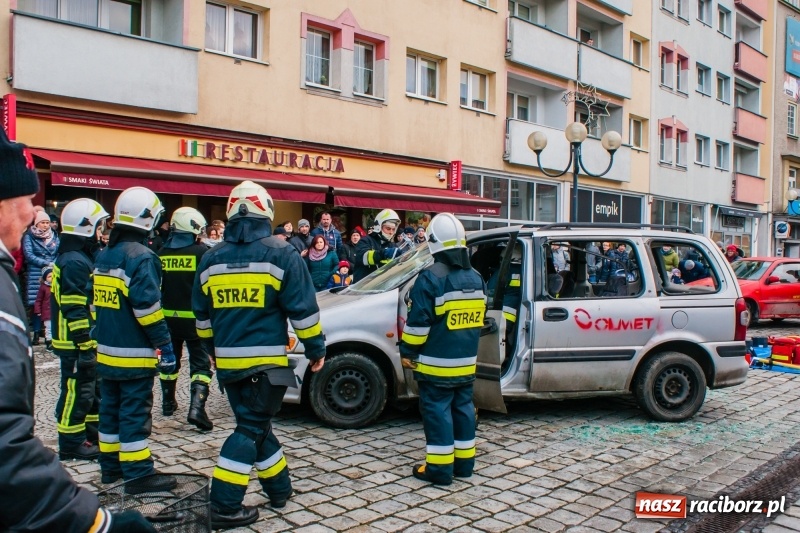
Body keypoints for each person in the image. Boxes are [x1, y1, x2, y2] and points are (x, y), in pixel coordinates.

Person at [0, 129, 155, 532]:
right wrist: (96, 525)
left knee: (95, 399)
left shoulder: (85, 257)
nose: (32, 213)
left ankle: (90, 447)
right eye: (25, 201)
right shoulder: (75, 262)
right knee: (81, 393)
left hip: (93, 345)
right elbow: (6, 445)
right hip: (85, 344)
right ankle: (77, 443)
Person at [192, 180, 326, 528]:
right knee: (250, 430)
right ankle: (223, 506)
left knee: (257, 426)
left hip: (229, 367)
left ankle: (280, 489)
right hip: (268, 366)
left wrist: (211, 352)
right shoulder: (281, 254)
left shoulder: (210, 259)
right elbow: (304, 312)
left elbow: (202, 319)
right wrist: (316, 349)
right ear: (266, 211)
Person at [94, 186, 178, 492]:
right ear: (148, 219)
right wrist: (165, 346)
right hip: (133, 354)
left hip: (105, 352)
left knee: (110, 411)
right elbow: (149, 311)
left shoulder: (106, 254)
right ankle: (139, 475)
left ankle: (110, 469)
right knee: (133, 413)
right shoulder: (143, 257)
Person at [399, 213, 486, 486]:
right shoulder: (477, 278)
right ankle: (464, 466)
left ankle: (438, 470)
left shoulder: (430, 278)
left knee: (437, 413)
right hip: (466, 363)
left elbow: (417, 327)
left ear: (435, 243)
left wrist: (408, 353)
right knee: (463, 410)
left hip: (436, 364)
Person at [52, 198, 109, 462]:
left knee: (90, 391)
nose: (101, 233)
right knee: (76, 391)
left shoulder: (77, 257)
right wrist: (85, 343)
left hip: (80, 340)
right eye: (98, 227)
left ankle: (91, 434)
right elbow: (75, 308)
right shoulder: (75, 262)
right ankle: (71, 443)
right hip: (75, 341)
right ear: (85, 227)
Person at [158, 207, 214, 431]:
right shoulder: (201, 254)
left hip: (167, 320)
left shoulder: (161, 253)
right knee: (200, 364)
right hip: (195, 321)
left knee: (169, 362)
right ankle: (197, 408)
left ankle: (168, 403)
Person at [23, 209, 59, 344]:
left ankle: (49, 333)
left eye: (47, 222)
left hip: (51, 271)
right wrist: (46, 262)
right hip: (36, 272)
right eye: (43, 222)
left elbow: (58, 252)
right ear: (37, 223)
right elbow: (29, 254)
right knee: (37, 303)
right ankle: (37, 332)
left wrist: (54, 264)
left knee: (49, 301)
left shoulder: (54, 235)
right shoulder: (29, 236)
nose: (45, 225)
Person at [353, 209, 401, 282]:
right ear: (379, 227)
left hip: (382, 288)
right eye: (388, 228)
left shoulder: (393, 246)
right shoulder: (366, 241)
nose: (391, 232)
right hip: (363, 287)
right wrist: (383, 253)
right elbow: (364, 258)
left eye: (393, 229)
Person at [34, 264, 54, 352]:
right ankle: (49, 341)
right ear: (45, 278)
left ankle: (54, 341)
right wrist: (38, 310)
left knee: (55, 327)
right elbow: (38, 300)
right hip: (47, 312)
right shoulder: (43, 288)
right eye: (49, 276)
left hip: (55, 312)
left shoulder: (57, 286)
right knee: (48, 328)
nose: (52, 278)